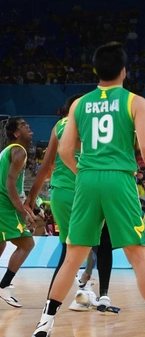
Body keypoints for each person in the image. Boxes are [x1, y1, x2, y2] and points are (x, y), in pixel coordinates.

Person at [31, 42, 145, 337]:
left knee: (73, 256)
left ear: (96, 70)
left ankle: (44, 325)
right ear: (124, 71)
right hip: (119, 178)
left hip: (86, 178)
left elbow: (67, 150)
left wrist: (83, 172)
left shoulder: (79, 104)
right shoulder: (135, 101)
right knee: (138, 254)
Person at [26, 94, 118, 312]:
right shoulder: (87, 123)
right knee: (102, 243)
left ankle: (52, 305)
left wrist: (31, 199)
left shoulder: (58, 126)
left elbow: (46, 166)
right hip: (86, 191)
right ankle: (100, 294)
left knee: (69, 250)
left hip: (59, 194)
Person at [0, 117, 36, 307]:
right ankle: (4, 285)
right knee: (27, 243)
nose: (27, 126)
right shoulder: (19, 151)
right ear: (16, 134)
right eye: (23, 125)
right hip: (4, 205)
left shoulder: (7, 151)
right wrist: (21, 211)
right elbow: (9, 184)